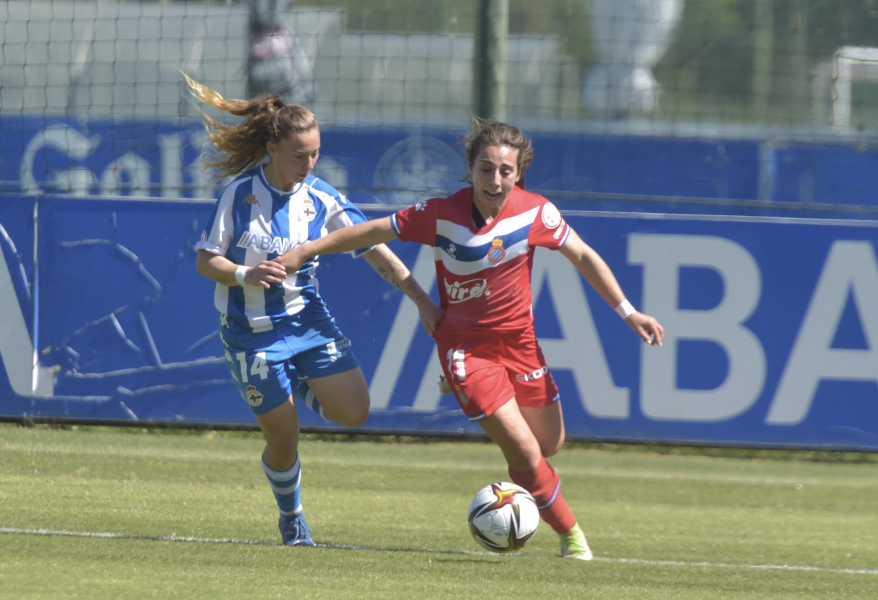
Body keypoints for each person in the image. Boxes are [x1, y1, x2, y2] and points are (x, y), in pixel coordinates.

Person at [277, 119, 665, 559]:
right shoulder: (441, 214)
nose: (495, 180)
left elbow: (584, 256)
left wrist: (629, 311)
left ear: (518, 174)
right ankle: (572, 537)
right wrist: (306, 250)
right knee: (521, 449)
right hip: (464, 348)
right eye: (486, 169)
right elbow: (373, 231)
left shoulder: (537, 212)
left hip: (521, 346)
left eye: (505, 171)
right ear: (470, 168)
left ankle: (521, 475)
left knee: (546, 446)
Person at [185, 74, 442, 547]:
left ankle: (296, 383)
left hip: (307, 321)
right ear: (272, 148)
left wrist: (421, 299)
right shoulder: (239, 195)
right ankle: (293, 518)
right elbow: (206, 261)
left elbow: (376, 249)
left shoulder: (320, 197)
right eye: (300, 154)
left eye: (316, 152)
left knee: (355, 412)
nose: (309, 163)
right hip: (251, 334)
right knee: (285, 440)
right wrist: (245, 274)